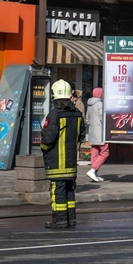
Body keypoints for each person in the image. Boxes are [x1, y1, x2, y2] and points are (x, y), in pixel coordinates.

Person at [41, 79, 85, 229]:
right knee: (69, 189)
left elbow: (47, 139)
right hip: (71, 161)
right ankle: (70, 218)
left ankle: (59, 220)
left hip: (56, 162)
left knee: (58, 190)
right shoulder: (77, 114)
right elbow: (81, 135)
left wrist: (44, 149)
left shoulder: (54, 115)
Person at [85, 88, 108, 183]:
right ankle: (93, 170)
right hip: (101, 132)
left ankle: (94, 173)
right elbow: (103, 118)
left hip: (92, 131)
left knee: (95, 151)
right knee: (105, 152)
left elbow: (87, 119)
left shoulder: (89, 104)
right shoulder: (100, 104)